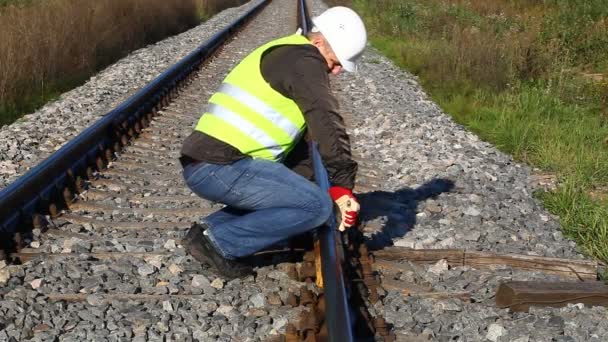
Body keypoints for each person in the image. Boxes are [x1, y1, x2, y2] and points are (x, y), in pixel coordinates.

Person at [180, 7, 367, 279]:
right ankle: (220, 242)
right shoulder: (304, 60)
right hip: (220, 165)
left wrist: (315, 185)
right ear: (318, 43)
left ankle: (207, 231)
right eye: (335, 62)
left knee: (306, 196)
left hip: (210, 163)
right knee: (316, 207)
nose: (336, 72)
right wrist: (341, 186)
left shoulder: (287, 54)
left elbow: (302, 149)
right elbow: (325, 119)